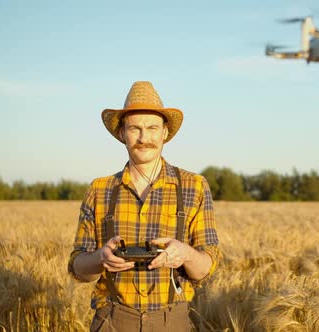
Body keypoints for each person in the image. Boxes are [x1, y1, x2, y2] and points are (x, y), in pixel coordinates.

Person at [68, 81, 219, 332]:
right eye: (134, 128)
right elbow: (77, 268)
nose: (144, 138)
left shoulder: (194, 186)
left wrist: (185, 253)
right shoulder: (100, 189)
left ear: (165, 133)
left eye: (152, 128)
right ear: (121, 134)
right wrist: (101, 258)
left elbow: (205, 269)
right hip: (112, 320)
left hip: (172, 321)